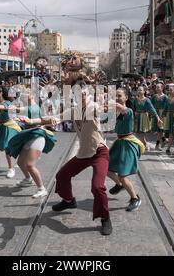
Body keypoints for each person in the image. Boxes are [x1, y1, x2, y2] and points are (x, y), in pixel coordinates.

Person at [51, 80, 112, 236]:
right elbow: (55, 118)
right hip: (84, 153)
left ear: (88, 94)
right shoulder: (74, 110)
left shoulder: (93, 107)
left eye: (84, 93)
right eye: (79, 94)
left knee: (97, 187)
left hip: (99, 152)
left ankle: (105, 218)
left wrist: (108, 105)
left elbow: (101, 109)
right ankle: (69, 201)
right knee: (62, 175)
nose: (82, 96)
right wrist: (33, 121)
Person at [7, 91, 58, 198]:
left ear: (33, 95)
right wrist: (21, 119)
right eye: (24, 93)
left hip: (38, 136)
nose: (25, 95)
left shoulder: (36, 107)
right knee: (21, 162)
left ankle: (41, 189)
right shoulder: (27, 107)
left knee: (30, 165)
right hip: (29, 136)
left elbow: (43, 121)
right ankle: (27, 179)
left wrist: (29, 121)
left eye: (28, 93)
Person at [106, 88, 145, 212]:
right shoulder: (115, 112)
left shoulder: (128, 111)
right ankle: (120, 185)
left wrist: (110, 103)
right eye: (115, 95)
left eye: (119, 95)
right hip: (119, 143)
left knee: (123, 175)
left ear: (126, 98)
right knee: (106, 168)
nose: (117, 97)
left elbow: (121, 108)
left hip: (128, 144)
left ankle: (135, 198)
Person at [133, 86, 163, 151]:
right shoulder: (135, 100)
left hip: (143, 117)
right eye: (138, 90)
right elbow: (133, 109)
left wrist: (157, 118)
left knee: (141, 134)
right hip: (137, 116)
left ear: (144, 91)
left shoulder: (147, 100)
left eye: (141, 90)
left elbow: (152, 109)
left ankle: (143, 145)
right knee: (138, 133)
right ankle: (145, 144)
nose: (139, 91)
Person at [151, 83, 168, 151]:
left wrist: (164, 115)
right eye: (156, 87)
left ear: (162, 88)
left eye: (159, 87)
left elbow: (166, 107)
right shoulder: (154, 96)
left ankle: (159, 143)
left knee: (161, 129)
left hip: (162, 113)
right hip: (156, 113)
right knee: (158, 130)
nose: (157, 88)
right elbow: (151, 105)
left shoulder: (165, 97)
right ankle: (163, 140)